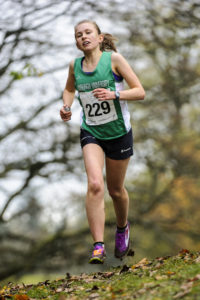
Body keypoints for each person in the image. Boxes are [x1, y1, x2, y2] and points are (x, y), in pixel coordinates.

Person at [60, 19, 145, 264]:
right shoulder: (74, 66)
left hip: (119, 132)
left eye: (88, 32)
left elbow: (140, 91)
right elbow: (69, 89)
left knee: (115, 190)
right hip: (92, 131)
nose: (83, 37)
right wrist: (66, 106)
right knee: (95, 184)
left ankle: (122, 228)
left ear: (99, 38)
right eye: (78, 35)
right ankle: (98, 245)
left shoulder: (114, 60)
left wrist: (114, 94)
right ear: (76, 42)